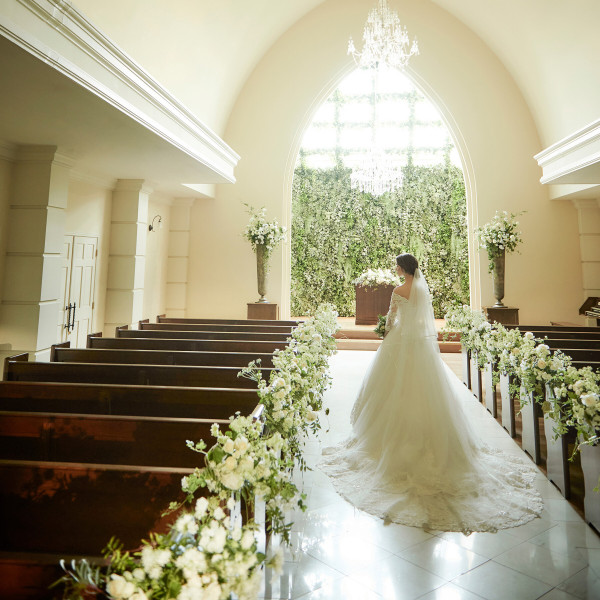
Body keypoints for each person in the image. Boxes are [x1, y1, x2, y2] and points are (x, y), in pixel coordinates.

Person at [320, 253, 543, 534]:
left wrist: (386, 332)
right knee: (429, 393)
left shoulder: (398, 290)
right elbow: (425, 323)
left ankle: (389, 439)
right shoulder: (423, 290)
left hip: (400, 343)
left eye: (397, 265)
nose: (396, 268)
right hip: (421, 348)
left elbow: (391, 320)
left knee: (391, 390)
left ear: (402, 268)